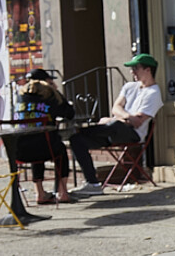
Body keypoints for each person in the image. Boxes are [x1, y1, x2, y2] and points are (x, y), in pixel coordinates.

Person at [69, 53, 163, 195]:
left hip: (132, 134)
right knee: (76, 140)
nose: (132, 72)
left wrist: (113, 119)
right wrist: (125, 116)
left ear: (148, 70)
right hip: (112, 132)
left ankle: (84, 130)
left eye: (136, 68)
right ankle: (93, 184)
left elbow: (137, 122)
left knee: (113, 125)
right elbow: (116, 107)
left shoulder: (154, 93)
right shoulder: (130, 86)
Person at [18, 68, 75, 204]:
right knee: (59, 150)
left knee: (35, 143)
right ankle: (62, 193)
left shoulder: (20, 96)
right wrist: (57, 92)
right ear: (46, 81)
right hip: (46, 148)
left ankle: (40, 192)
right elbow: (69, 113)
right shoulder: (49, 94)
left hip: (20, 151)